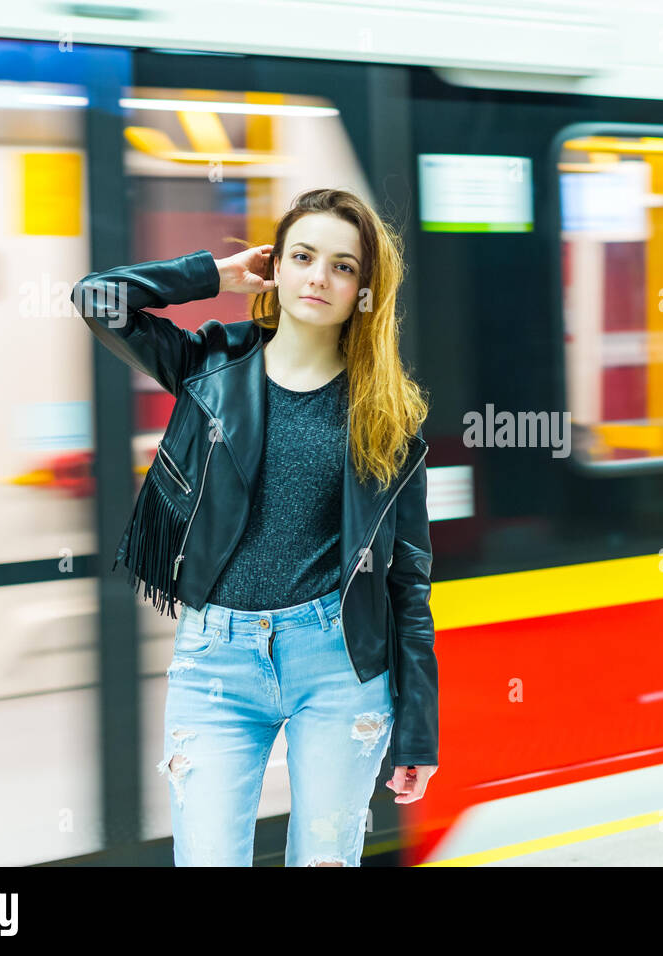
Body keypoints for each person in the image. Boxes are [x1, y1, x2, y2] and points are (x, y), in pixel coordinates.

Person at [72, 188, 438, 865]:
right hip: (217, 662)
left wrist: (419, 729)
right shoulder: (210, 363)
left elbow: (408, 581)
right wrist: (211, 275)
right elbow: (97, 298)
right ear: (278, 267)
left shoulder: (389, 411)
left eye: (343, 266)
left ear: (365, 288)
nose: (319, 278)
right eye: (302, 256)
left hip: (338, 663)